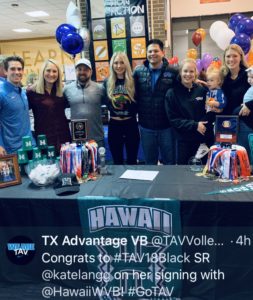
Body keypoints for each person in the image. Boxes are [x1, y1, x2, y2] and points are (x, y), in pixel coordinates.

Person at [133, 39, 178, 165]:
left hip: (167, 127)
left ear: (163, 53)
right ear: (146, 53)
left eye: (156, 51)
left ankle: (169, 185)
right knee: (150, 163)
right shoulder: (138, 72)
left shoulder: (173, 72)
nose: (153, 53)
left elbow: (182, 91)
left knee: (170, 163)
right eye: (150, 51)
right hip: (146, 127)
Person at [165, 58, 207, 165]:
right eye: (185, 71)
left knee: (199, 171)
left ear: (195, 73)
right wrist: (194, 125)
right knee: (182, 172)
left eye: (191, 71)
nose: (188, 74)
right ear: (180, 72)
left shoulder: (202, 91)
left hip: (199, 140)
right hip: (181, 140)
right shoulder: (172, 93)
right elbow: (173, 119)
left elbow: (207, 112)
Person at [26, 59, 71, 154]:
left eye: (54, 71)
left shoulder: (62, 91)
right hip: (44, 137)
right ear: (43, 72)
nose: (51, 74)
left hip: (63, 135)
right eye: (48, 70)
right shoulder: (32, 92)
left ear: (58, 74)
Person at [103, 52, 140, 164]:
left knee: (132, 160)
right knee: (117, 160)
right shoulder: (107, 82)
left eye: (122, 62)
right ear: (112, 65)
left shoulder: (134, 81)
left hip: (131, 124)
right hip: (114, 125)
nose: (119, 66)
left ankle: (132, 181)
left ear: (126, 64)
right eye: (116, 63)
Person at [63, 58, 105, 148]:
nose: (82, 72)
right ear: (75, 71)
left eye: (85, 69)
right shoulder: (67, 89)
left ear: (91, 71)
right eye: (79, 69)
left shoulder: (100, 88)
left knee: (98, 162)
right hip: (76, 141)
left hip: (97, 139)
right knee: (79, 163)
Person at [0, 56, 35, 155]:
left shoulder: (22, 92)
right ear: (5, 71)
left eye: (19, 69)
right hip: (12, 150)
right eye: (12, 69)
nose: (17, 72)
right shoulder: (1, 93)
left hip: (29, 145)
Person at [221, 44, 252, 156]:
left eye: (234, 56)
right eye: (228, 56)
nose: (231, 59)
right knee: (229, 159)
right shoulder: (222, 77)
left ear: (240, 57)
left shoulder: (248, 74)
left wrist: (249, 105)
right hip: (226, 124)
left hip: (245, 123)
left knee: (245, 160)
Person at [195, 67, 227, 159]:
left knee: (203, 125)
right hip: (208, 112)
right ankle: (205, 145)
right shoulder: (211, 90)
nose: (209, 82)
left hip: (214, 114)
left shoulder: (219, 92)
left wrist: (215, 103)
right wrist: (202, 82)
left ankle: (203, 145)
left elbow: (223, 103)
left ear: (219, 82)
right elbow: (208, 87)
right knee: (205, 128)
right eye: (208, 80)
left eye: (211, 80)